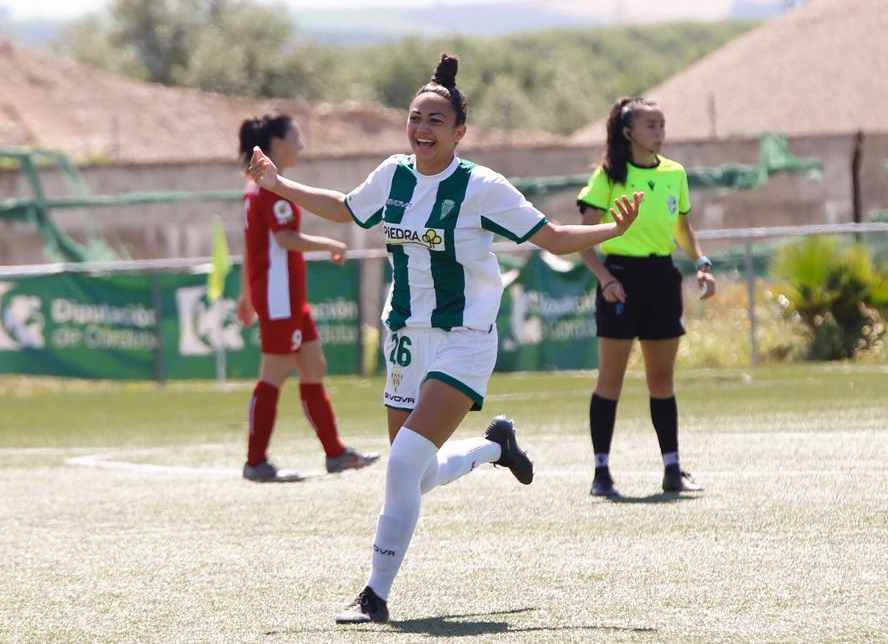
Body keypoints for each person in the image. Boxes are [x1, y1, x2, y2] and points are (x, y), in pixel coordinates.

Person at [246, 54, 642, 623]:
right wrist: (278, 183)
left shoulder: (483, 188)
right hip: (405, 337)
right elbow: (347, 209)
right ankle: (493, 447)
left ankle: (374, 596)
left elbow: (553, 238)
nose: (422, 129)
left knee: (404, 462)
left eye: (435, 120)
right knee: (418, 471)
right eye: (415, 117)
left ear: (459, 132)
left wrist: (615, 228)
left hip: (464, 338)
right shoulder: (392, 174)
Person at [577, 96, 716, 498]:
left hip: (662, 279)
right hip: (620, 277)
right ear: (628, 132)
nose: (659, 131)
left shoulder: (675, 173)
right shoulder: (607, 177)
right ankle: (601, 473)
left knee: (661, 378)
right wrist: (605, 279)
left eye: (661, 124)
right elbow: (585, 241)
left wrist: (701, 261)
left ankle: (673, 469)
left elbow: (683, 230)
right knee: (611, 380)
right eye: (650, 124)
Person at [236, 114, 380, 482]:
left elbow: (254, 248)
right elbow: (284, 240)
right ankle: (255, 461)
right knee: (273, 374)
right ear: (277, 143)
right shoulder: (268, 189)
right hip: (279, 298)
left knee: (314, 365)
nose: (301, 145)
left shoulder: (257, 188)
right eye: (295, 137)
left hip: (286, 299)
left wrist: (245, 295)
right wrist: (328, 242)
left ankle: (335, 453)